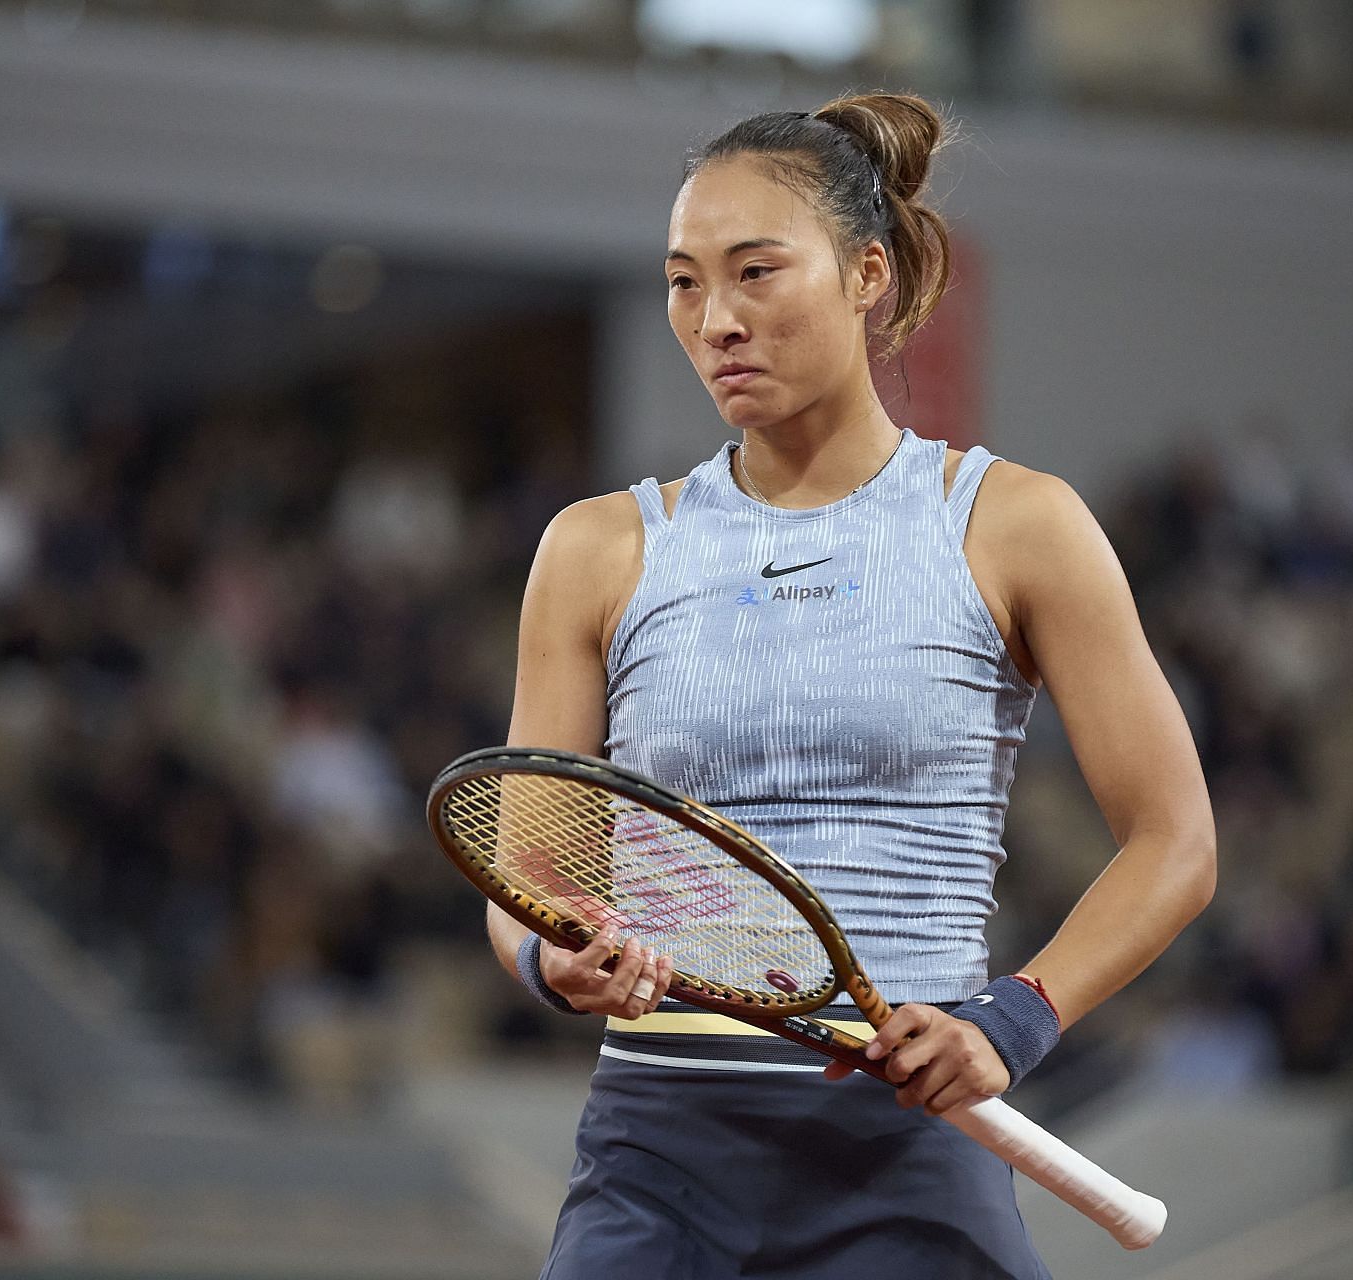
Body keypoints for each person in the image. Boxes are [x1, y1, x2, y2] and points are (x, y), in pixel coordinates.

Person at [486, 92, 1216, 1278]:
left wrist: (1012, 1019)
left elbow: (1176, 842)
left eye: (757, 272)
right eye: (683, 282)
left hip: (909, 1159)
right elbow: (528, 878)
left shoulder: (1018, 526)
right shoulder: (594, 551)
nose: (716, 317)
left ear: (868, 272)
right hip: (657, 1161)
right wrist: (550, 958)